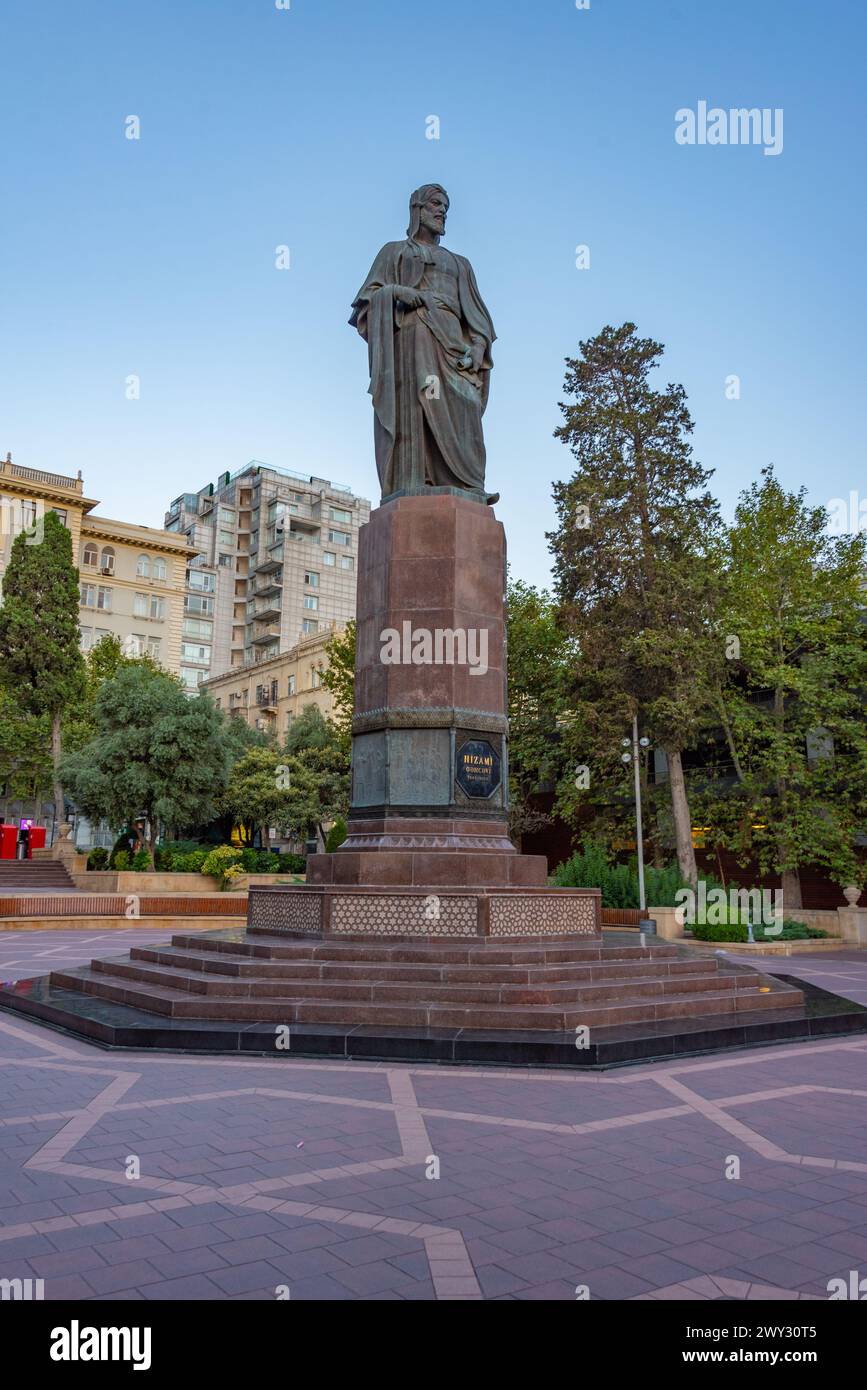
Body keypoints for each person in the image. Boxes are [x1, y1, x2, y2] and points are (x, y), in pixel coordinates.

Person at [350, 184, 497, 503]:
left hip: (452, 346)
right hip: (410, 341)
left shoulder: (460, 263)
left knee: (464, 407)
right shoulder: (393, 252)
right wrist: (398, 293)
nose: (442, 211)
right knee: (415, 407)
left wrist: (478, 347)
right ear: (417, 209)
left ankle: (469, 485)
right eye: (435, 204)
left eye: (445, 206)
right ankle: (416, 480)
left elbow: (479, 318)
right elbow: (366, 302)